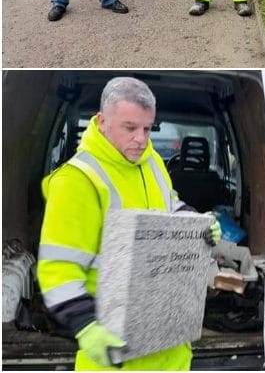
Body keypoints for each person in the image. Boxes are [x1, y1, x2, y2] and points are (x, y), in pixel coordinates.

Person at [36, 77, 221, 371]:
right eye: (130, 128)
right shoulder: (77, 180)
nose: (141, 139)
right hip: (117, 352)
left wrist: (197, 223)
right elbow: (57, 268)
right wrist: (86, 327)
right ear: (102, 122)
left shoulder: (152, 162)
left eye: (148, 128)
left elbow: (169, 204)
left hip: (170, 349)